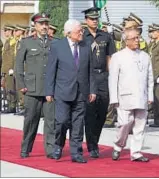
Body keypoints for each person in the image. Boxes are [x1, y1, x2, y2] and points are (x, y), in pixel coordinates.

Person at [45, 19, 97, 163]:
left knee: (78, 124)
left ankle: (76, 152)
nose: (82, 32)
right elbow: (51, 70)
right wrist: (49, 91)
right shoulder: (57, 46)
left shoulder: (86, 46)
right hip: (62, 91)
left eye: (82, 30)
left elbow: (90, 70)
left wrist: (92, 90)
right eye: (79, 30)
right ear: (69, 33)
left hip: (81, 92)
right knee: (61, 122)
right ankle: (58, 146)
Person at [109, 28, 153, 162]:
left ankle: (136, 152)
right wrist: (114, 98)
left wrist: (150, 96)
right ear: (126, 41)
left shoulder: (145, 56)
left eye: (138, 38)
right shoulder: (118, 56)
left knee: (140, 124)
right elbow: (113, 79)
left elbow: (150, 77)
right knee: (125, 123)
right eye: (134, 38)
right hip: (125, 96)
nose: (137, 41)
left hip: (141, 96)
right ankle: (118, 146)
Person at [15, 13, 56, 159]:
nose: (45, 26)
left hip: (50, 89)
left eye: (46, 23)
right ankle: (25, 148)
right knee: (31, 121)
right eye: (41, 24)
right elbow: (18, 64)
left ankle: (50, 150)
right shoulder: (26, 42)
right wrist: (21, 84)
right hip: (32, 89)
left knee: (51, 122)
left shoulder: (54, 42)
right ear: (35, 25)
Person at [82, 7, 116, 158]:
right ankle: (92, 145)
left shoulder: (106, 36)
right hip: (89, 78)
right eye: (91, 19)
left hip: (103, 77)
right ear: (86, 21)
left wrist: (111, 77)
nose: (94, 21)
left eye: (96, 19)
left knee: (102, 113)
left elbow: (110, 57)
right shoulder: (82, 36)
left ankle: (95, 140)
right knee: (89, 113)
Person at [1, 24, 16, 113]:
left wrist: (11, 68)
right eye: (4, 30)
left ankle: (12, 106)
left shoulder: (12, 41)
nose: (5, 32)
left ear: (10, 31)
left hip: (10, 69)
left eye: (6, 30)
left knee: (11, 88)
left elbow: (12, 57)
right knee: (7, 88)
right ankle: (9, 104)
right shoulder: (7, 41)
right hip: (5, 69)